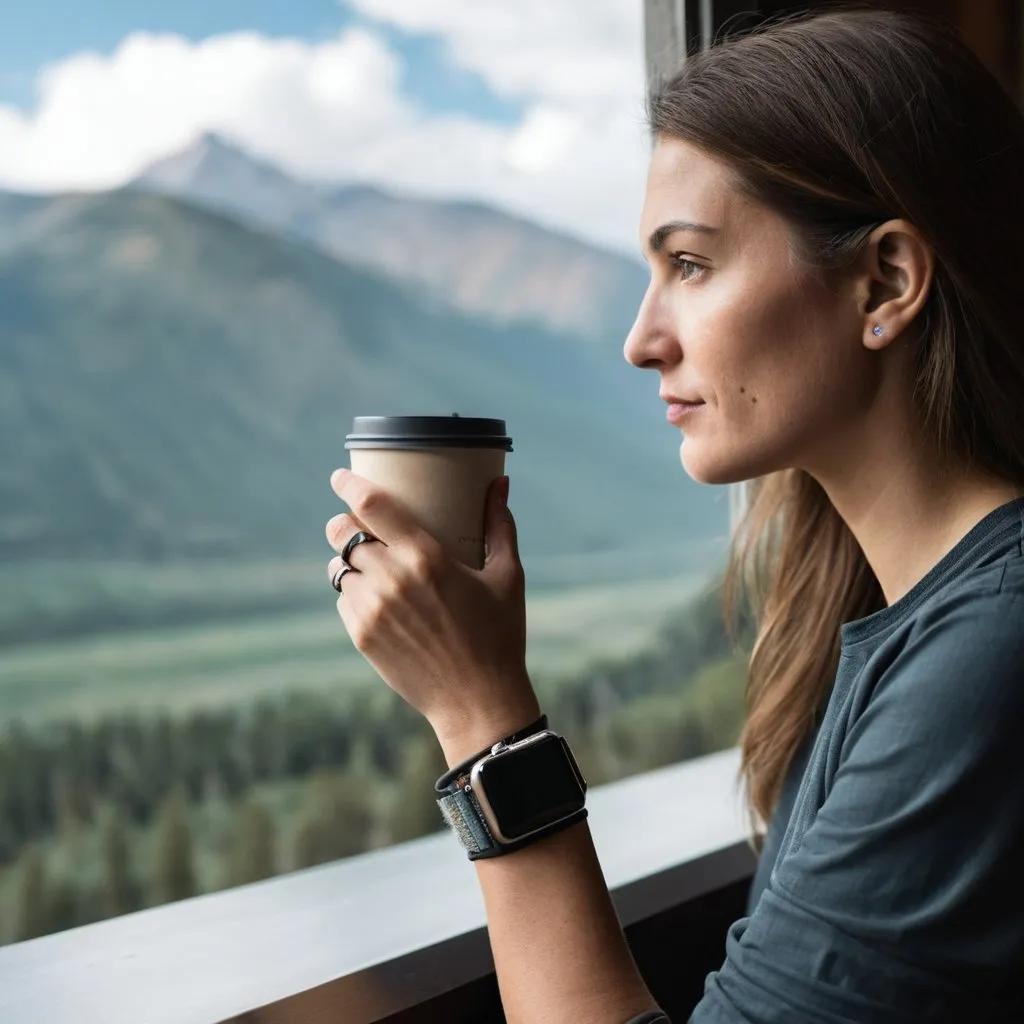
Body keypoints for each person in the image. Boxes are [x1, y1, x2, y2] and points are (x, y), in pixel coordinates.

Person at [324, 8, 1024, 1022]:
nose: (640, 339)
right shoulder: (913, 616)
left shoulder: (985, 654)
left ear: (886, 281)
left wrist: (482, 724)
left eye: (689, 265)